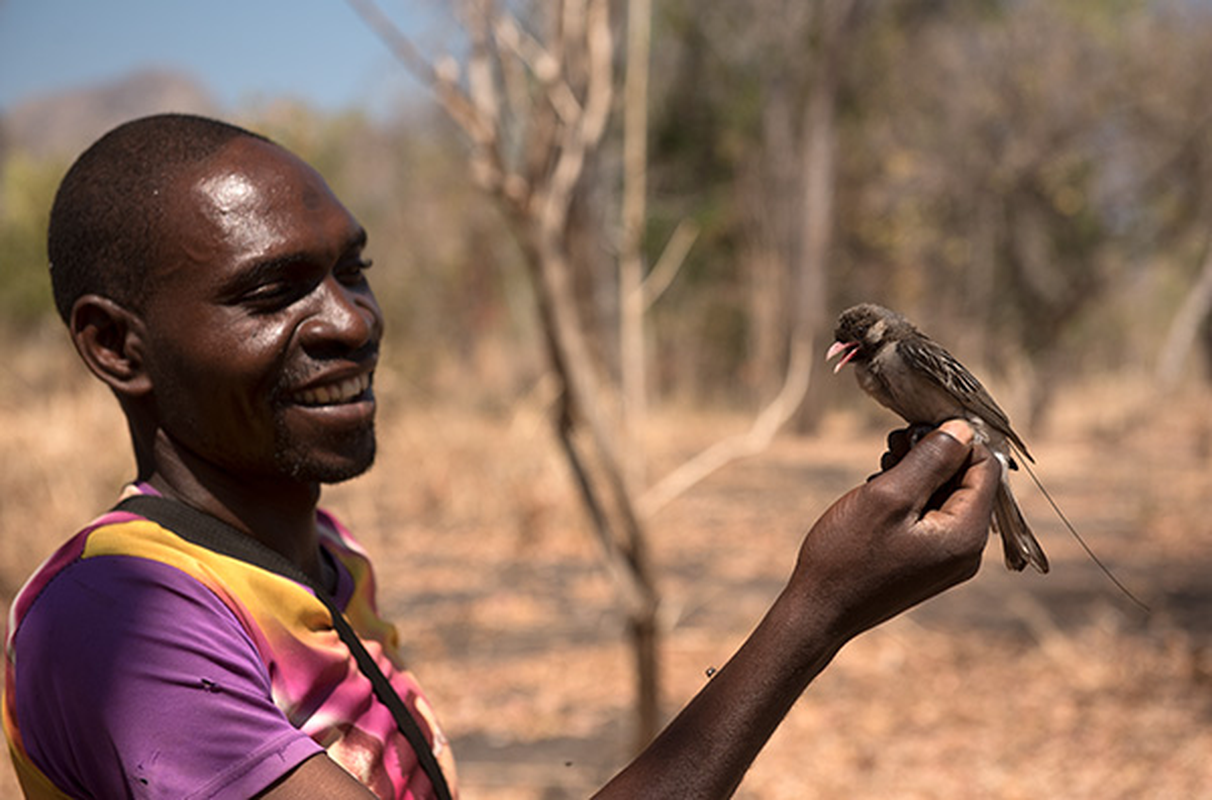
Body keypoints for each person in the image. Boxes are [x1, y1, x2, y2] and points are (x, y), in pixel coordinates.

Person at [2, 113, 1000, 799]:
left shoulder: (320, 557)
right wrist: (814, 612)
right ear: (116, 345)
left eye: (354, 271)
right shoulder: (119, 623)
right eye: (274, 292)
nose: (350, 321)